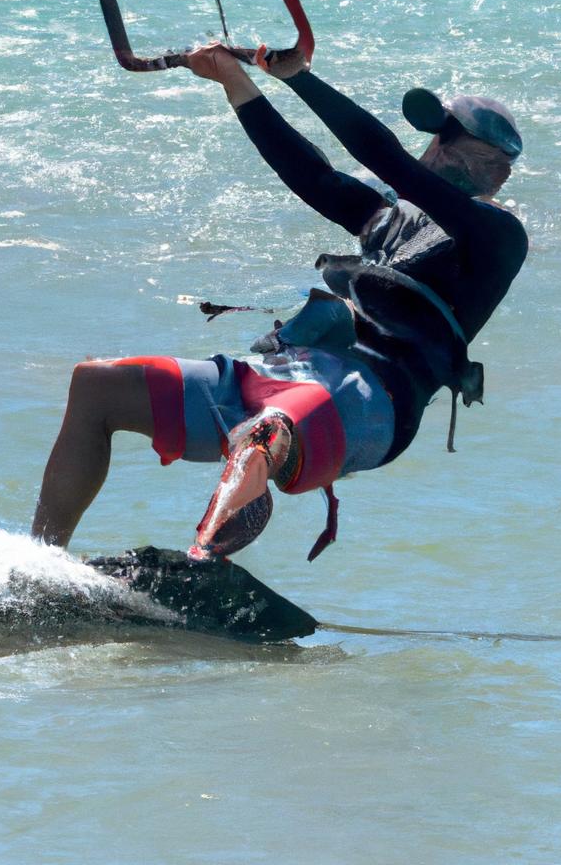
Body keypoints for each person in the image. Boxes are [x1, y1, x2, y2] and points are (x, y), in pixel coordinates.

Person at [31, 44, 527, 562]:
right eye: (439, 145)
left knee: (264, 432)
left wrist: (300, 80)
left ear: (495, 170)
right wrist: (234, 82)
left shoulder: (497, 236)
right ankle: (40, 566)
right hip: (293, 367)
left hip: (374, 401)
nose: (434, 153)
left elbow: (388, 160)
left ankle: (202, 567)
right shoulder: (390, 219)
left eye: (449, 146)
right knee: (97, 388)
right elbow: (312, 176)